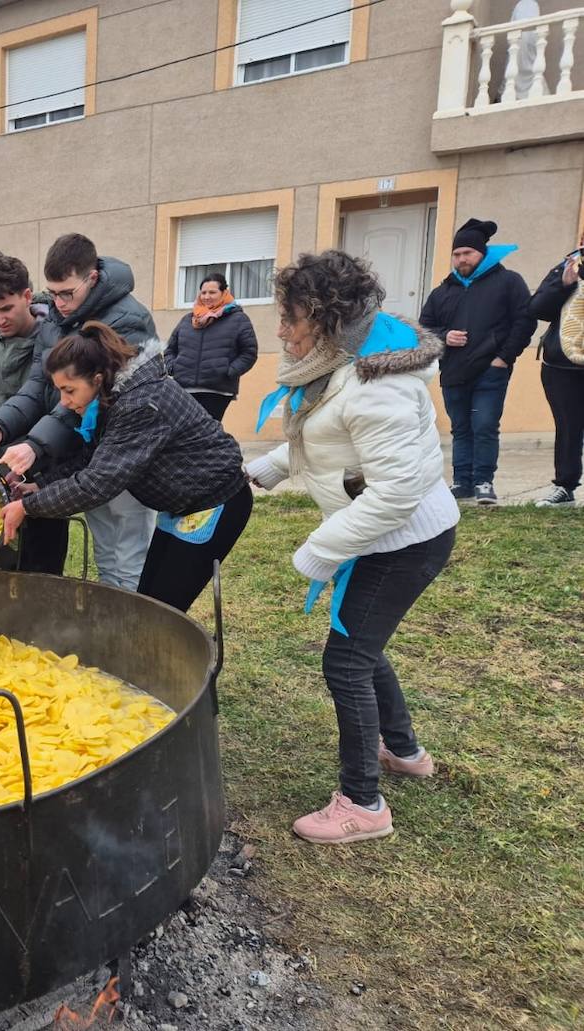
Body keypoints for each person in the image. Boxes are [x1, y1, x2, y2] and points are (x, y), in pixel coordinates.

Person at [246, 250, 459, 845]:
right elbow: (329, 442)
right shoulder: (341, 365)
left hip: (405, 538)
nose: (281, 330)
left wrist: (321, 548)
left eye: (288, 318)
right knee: (363, 643)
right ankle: (405, 750)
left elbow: (395, 491)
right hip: (388, 536)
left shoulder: (376, 384)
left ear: (322, 316)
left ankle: (363, 803)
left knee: (345, 660)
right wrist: (268, 469)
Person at [0, 321, 251, 611]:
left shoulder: (140, 404)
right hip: (184, 505)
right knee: (149, 602)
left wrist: (28, 507)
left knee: (162, 613)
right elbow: (91, 459)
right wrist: (39, 486)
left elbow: (97, 482)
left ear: (96, 379)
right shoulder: (112, 399)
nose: (65, 402)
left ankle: (162, 655)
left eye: (69, 390)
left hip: (215, 504)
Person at [0, 233, 158, 591]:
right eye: (52, 293)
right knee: (106, 552)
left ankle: (131, 628)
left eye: (67, 293)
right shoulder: (57, 318)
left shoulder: (126, 320)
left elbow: (82, 401)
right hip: (88, 454)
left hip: (123, 452)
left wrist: (36, 446)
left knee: (129, 554)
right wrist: (1, 424)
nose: (58, 302)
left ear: (93, 277)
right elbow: (38, 388)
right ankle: (112, 624)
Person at [0, 255, 68, 575]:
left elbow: (61, 412)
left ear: (27, 297)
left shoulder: (54, 342)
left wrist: (37, 470)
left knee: (42, 574)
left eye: (6, 309)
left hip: (44, 478)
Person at [418, 218, 534, 505]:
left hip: (490, 370)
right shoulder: (442, 292)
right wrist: (445, 336)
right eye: (456, 254)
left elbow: (525, 321)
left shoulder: (509, 282)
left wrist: (503, 358)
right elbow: (423, 329)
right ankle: (462, 482)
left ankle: (484, 481)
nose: (461, 259)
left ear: (482, 253)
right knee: (460, 428)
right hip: (454, 371)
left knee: (484, 426)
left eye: (467, 253)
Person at [528, 231, 584, 507]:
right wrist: (563, 285)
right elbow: (537, 307)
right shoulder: (566, 267)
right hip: (562, 365)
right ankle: (565, 486)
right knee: (568, 428)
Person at [164, 272, 259, 421]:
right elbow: (170, 350)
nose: (207, 296)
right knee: (185, 434)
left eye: (212, 292)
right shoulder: (187, 320)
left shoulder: (238, 319)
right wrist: (173, 367)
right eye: (203, 292)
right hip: (184, 388)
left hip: (217, 391)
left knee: (207, 433)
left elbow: (249, 352)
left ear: (224, 293)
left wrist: (229, 371)